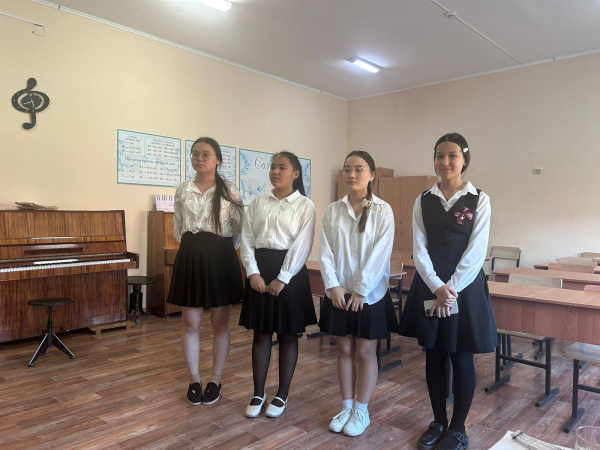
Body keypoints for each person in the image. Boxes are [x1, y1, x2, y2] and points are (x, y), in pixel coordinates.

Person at [398, 133, 497, 450]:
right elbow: (419, 248)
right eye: (440, 155)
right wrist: (437, 286)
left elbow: (477, 250)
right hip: (431, 286)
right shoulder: (423, 200)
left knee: (462, 357)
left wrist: (450, 288)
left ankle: (458, 428)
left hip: (464, 290)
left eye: (452, 155)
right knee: (434, 356)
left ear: (464, 159)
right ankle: (439, 421)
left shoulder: (479, 199)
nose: (445, 162)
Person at [319, 150, 398, 437]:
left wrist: (362, 290)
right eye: (347, 169)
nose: (352, 175)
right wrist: (333, 286)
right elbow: (326, 252)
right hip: (340, 294)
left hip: (370, 296)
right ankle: (347, 406)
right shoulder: (333, 210)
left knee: (365, 352)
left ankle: (362, 410)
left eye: (359, 169)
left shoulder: (382, 210)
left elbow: (380, 255)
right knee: (343, 350)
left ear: (371, 175)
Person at [167, 137, 245, 406]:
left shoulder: (230, 190)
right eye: (195, 154)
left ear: (218, 159)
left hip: (221, 256)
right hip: (190, 255)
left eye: (205, 154)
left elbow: (238, 228)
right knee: (190, 323)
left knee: (220, 324)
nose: (199, 158)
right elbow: (178, 227)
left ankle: (215, 379)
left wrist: (219, 249)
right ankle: (194, 380)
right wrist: (196, 248)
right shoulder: (182, 189)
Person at [239, 151, 317, 419]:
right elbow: (247, 238)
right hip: (260, 271)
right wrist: (252, 272)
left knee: (287, 334)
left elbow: (302, 245)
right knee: (261, 333)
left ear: (295, 173)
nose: (275, 171)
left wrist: (283, 277)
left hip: (290, 274)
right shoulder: (258, 202)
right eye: (273, 167)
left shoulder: (305, 205)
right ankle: (258, 392)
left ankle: (282, 393)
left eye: (282, 167)